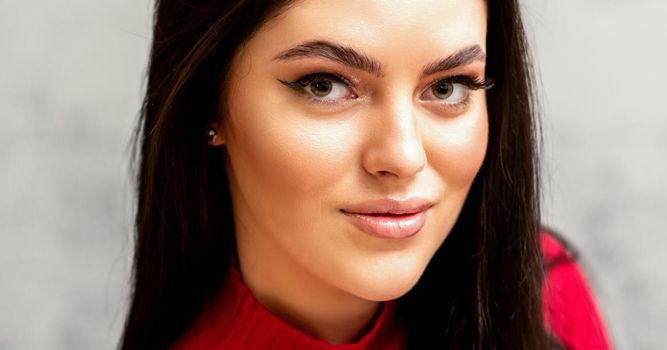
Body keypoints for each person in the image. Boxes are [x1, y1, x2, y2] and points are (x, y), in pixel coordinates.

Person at [120, 0, 612, 349]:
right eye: (325, 85)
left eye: (447, 88)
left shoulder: (543, 291)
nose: (402, 156)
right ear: (207, 102)